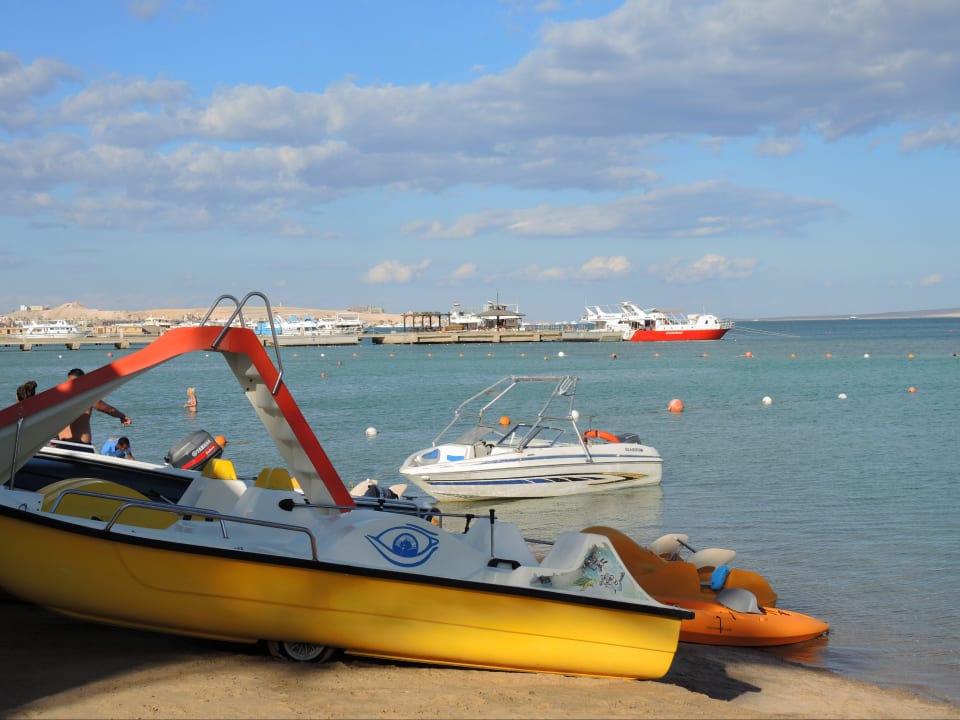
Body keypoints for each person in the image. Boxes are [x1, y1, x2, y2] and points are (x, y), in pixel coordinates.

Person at [57, 368, 131, 445]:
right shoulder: (87, 397)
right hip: (81, 445)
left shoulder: (60, 397)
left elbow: (52, 419)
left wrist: (53, 439)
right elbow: (109, 410)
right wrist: (122, 416)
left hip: (62, 443)